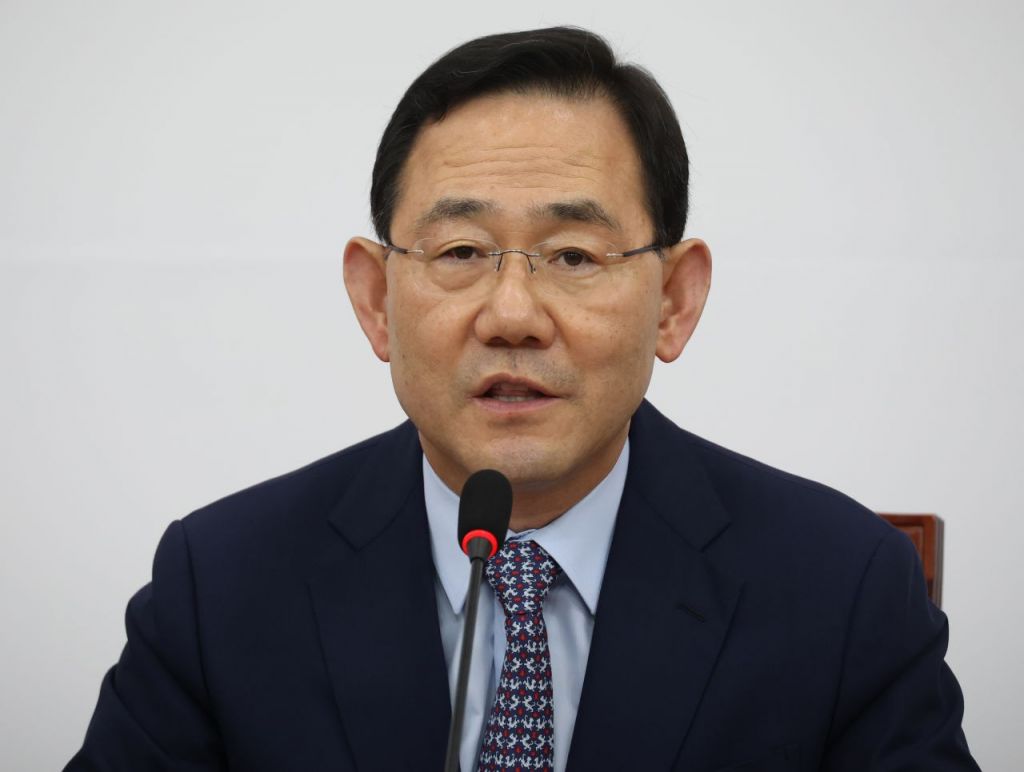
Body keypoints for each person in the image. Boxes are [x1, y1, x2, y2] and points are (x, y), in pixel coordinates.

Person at [66, 27, 980, 772]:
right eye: (461, 252)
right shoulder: (221, 585)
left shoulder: (844, 588)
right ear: (376, 300)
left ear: (674, 301)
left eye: (574, 256)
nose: (512, 316)